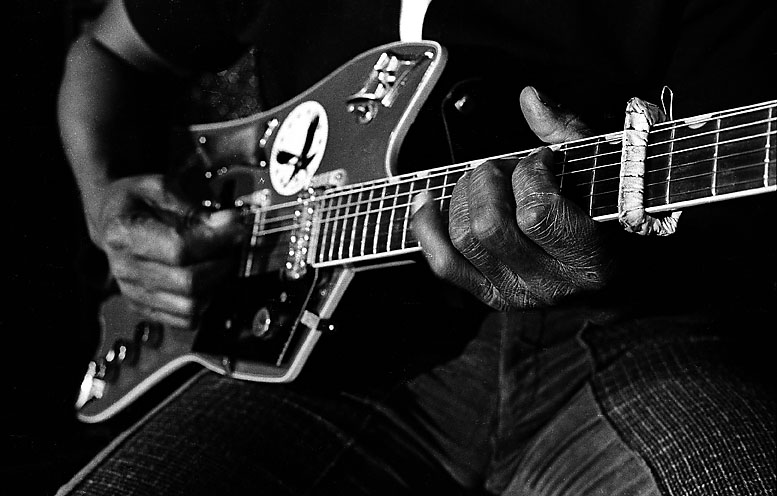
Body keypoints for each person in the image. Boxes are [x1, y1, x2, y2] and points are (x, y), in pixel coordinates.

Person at [56, 0, 775, 494]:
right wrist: (103, 201)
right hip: (329, 348)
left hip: (631, 335)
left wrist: (612, 247)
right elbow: (105, 51)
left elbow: (740, 197)